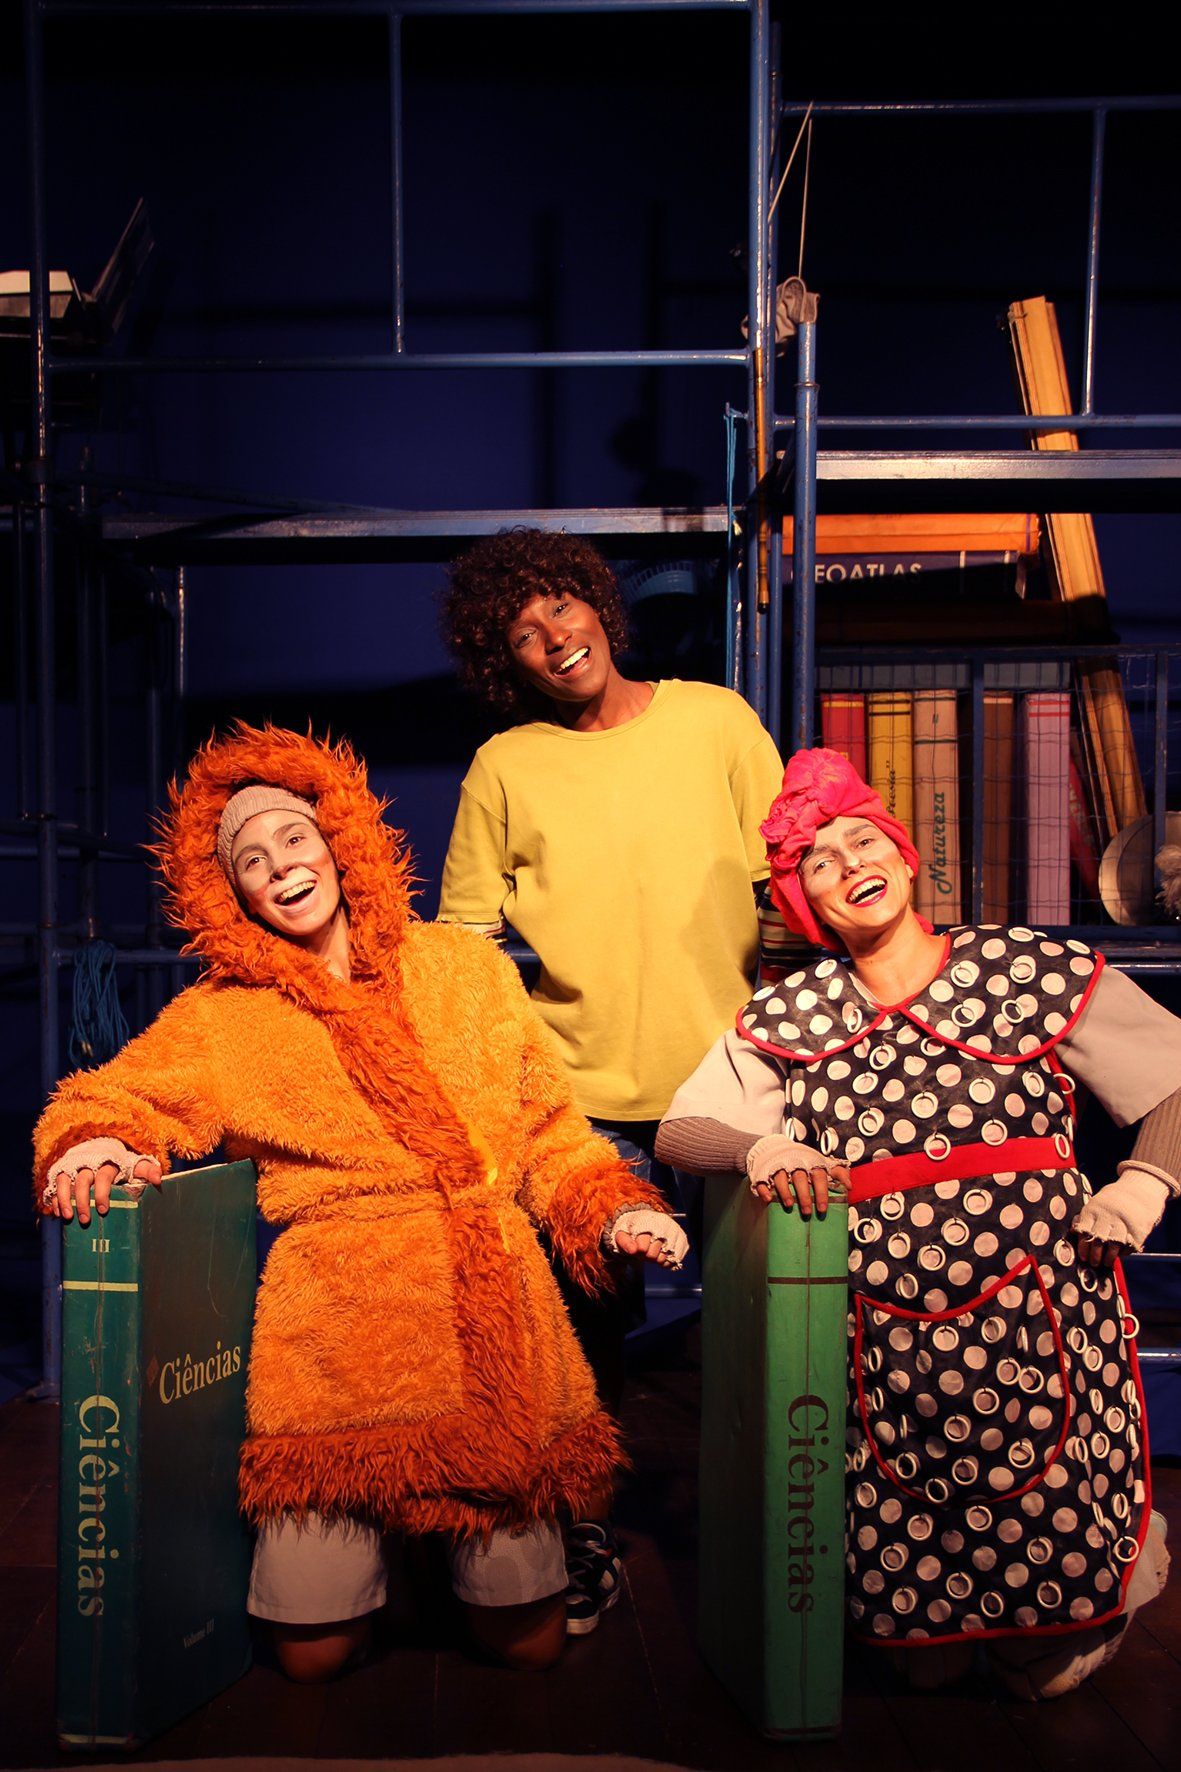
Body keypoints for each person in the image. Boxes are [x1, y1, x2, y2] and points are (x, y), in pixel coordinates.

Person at [35, 723, 686, 1683]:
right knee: (312, 1658)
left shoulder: (463, 968)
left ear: (339, 841)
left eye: (294, 839)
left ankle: (464, 1552)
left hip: (490, 1329)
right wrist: (93, 1138)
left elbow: (549, 1128)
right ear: (232, 893)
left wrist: (609, 1206)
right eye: (252, 862)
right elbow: (115, 1096)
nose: (282, 869)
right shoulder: (221, 1017)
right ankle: (395, 1550)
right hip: (337, 1335)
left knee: (526, 1648)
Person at [656, 746, 1179, 1699]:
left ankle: (1084, 1606)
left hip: (1036, 1313)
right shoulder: (795, 1012)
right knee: (919, 1666)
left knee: (1041, 1666)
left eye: (864, 842)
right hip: (889, 1341)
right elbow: (680, 1130)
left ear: (903, 857)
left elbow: (1173, 1073)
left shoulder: (1022, 968)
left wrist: (1140, 1187)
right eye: (819, 862)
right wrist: (758, 1150)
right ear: (807, 905)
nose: (848, 863)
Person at [438, 527, 783, 1631]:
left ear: (597, 603)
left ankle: (780, 1536)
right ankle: (579, 1532)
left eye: (560, 606)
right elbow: (462, 941)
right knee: (582, 1337)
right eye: (521, 634)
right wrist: (503, 1073)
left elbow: (787, 874)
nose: (553, 638)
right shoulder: (506, 765)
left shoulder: (714, 720)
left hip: (737, 1087)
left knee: (770, 1322)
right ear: (505, 663)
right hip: (583, 1101)